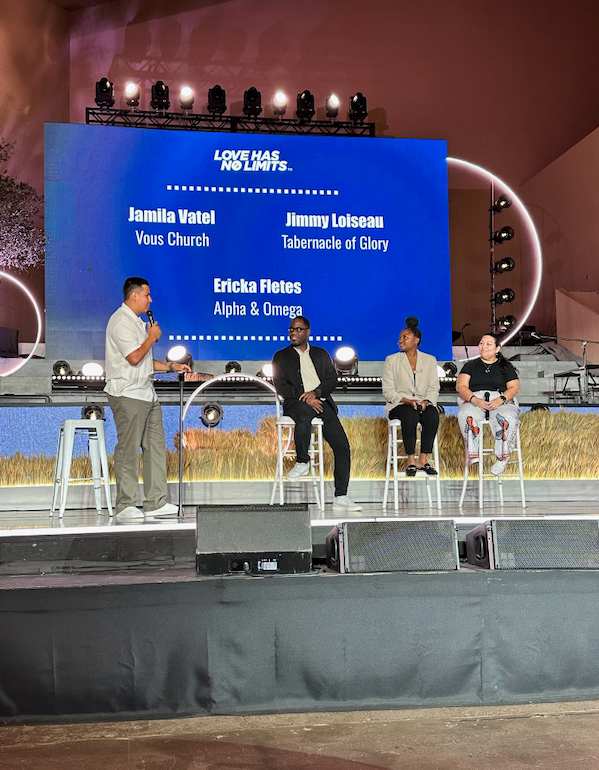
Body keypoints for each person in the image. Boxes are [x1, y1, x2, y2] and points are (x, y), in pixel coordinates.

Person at [105, 277, 191, 520]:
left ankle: (155, 501)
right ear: (134, 296)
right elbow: (133, 358)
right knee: (129, 448)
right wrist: (152, 337)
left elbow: (144, 359)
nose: (150, 300)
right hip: (127, 392)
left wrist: (170, 366)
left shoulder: (139, 323)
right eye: (147, 295)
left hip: (146, 392)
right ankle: (125, 505)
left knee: (155, 447)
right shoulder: (120, 321)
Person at [272, 316, 362, 511]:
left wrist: (316, 394)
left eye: (298, 329)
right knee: (304, 416)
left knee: (342, 446)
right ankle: (303, 461)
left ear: (307, 332)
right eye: (291, 329)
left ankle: (341, 495)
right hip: (295, 402)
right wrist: (305, 397)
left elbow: (332, 379)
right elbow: (280, 386)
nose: (293, 333)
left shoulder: (321, 354)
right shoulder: (281, 356)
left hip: (321, 402)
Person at [382, 316, 440, 476]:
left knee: (432, 415)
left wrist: (426, 401)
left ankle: (423, 459)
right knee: (410, 415)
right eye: (400, 338)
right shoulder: (391, 360)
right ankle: (410, 460)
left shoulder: (429, 360)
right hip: (399, 404)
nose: (400, 341)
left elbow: (434, 387)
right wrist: (408, 400)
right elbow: (388, 390)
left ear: (416, 340)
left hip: (423, 403)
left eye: (405, 338)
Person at [456, 333, 520, 475]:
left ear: (497, 349)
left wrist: (501, 399)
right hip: (475, 399)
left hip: (500, 400)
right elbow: (461, 386)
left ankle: (503, 455)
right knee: (465, 413)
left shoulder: (506, 367)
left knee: (507, 417)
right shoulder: (470, 365)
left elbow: (514, 387)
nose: (483, 346)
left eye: (488, 344)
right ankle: (473, 452)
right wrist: (475, 399)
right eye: (481, 343)